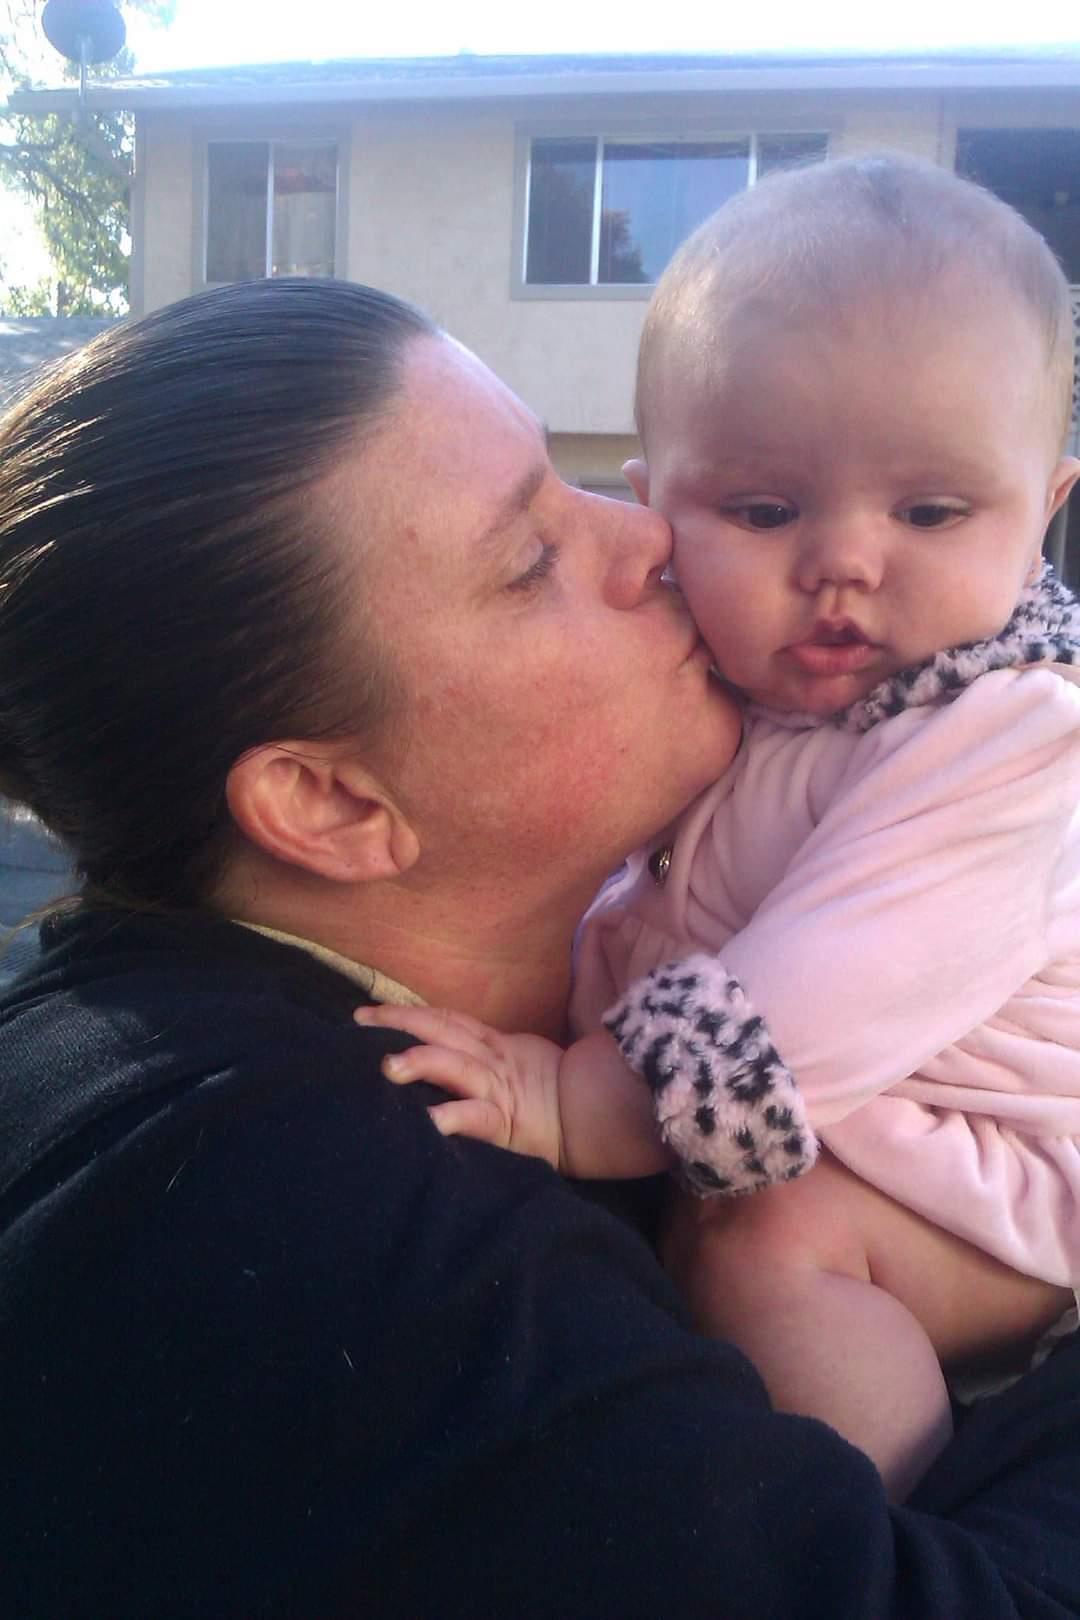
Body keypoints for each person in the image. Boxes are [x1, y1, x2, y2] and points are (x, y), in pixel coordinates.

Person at [3, 277, 1080, 1620]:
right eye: (532, 558)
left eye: (586, 492)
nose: (652, 541)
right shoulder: (277, 1218)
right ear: (332, 804)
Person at [357, 157, 1080, 1500]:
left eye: (932, 511)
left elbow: (827, 989)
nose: (847, 563)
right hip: (816, 1120)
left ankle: (894, 1525)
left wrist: (572, 1100)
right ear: (658, 503)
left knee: (766, 1244)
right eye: (763, 511)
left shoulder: (1007, 735)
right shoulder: (745, 699)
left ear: (1043, 509)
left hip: (1000, 1175)